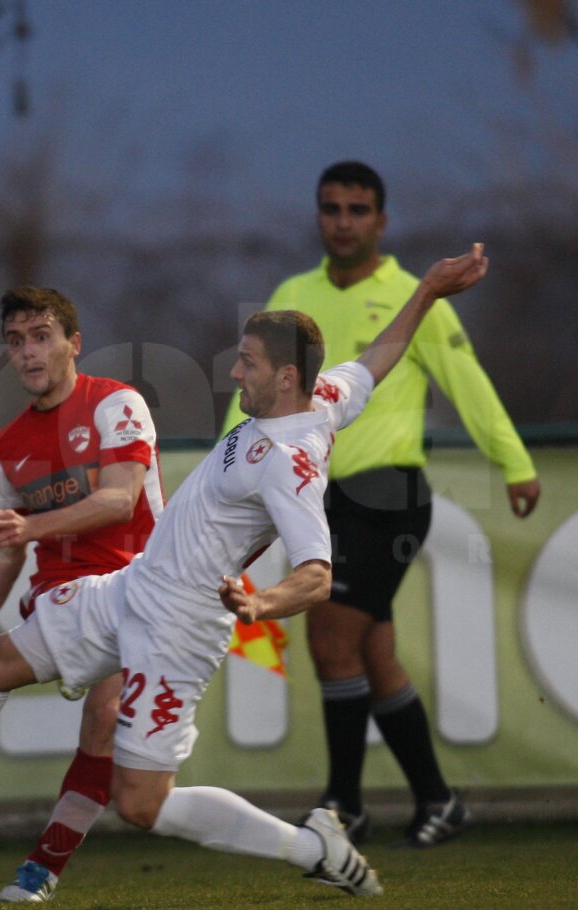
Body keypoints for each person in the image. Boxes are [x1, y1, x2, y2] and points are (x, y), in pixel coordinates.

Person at [0, 243, 490, 901]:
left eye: (246, 363)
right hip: (132, 588)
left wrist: (262, 605)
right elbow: (378, 357)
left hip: (181, 627)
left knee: (141, 803)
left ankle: (316, 850)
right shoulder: (322, 394)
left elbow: (315, 573)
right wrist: (426, 290)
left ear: (283, 377)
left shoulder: (292, 461)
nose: (234, 373)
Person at [219, 162, 540, 848]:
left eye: (358, 209)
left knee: (330, 634)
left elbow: (470, 384)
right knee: (375, 654)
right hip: (322, 498)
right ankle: (438, 799)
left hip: (389, 494)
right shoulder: (292, 296)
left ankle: (345, 805)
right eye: (332, 208)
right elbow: (250, 392)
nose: (344, 220)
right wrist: (225, 475)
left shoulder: (411, 299)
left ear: (380, 221)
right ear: (318, 216)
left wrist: (514, 463)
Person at [0, 286, 165, 903]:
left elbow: (121, 500)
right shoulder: (7, 447)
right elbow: (4, 552)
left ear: (73, 344)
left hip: (149, 590)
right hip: (71, 601)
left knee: (109, 736)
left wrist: (29, 527)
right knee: (120, 767)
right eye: (15, 341)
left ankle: (40, 868)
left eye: (42, 336)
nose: (29, 353)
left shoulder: (116, 403)